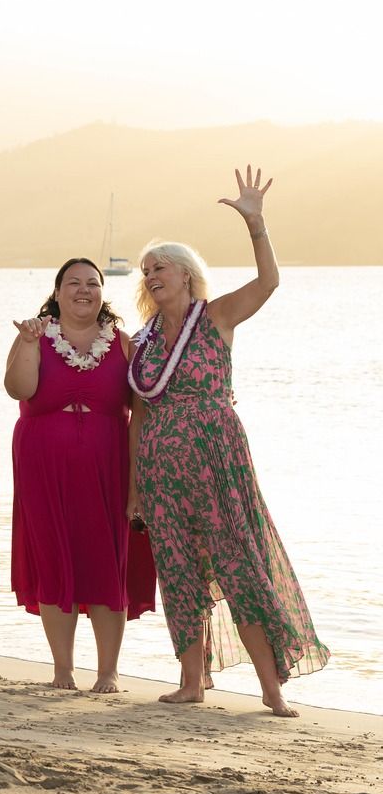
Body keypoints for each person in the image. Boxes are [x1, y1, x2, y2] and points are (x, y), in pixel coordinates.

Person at [129, 166, 328, 717]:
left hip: (218, 462)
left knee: (239, 564)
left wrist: (256, 226)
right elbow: (138, 420)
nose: (150, 276)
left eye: (159, 267)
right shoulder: (141, 345)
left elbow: (268, 283)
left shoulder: (215, 317)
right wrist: (134, 490)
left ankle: (271, 689)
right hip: (160, 471)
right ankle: (191, 682)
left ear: (187, 274)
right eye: (145, 271)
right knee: (176, 569)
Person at [5, 258, 156, 692]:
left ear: (103, 294)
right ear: (57, 293)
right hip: (42, 466)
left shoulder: (124, 344)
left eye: (93, 283)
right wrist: (30, 345)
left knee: (107, 561)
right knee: (55, 558)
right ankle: (63, 670)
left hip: (108, 465)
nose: (83, 289)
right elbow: (18, 389)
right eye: (73, 282)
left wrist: (136, 486)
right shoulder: (32, 336)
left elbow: (143, 410)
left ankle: (108, 671)